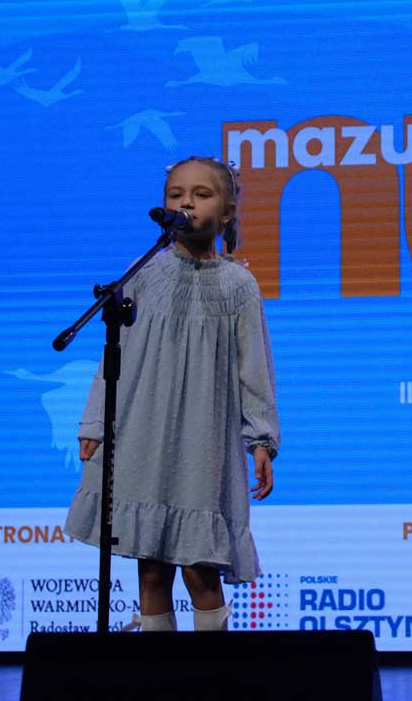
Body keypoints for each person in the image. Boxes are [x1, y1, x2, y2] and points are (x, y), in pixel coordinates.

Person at [65, 156, 279, 632]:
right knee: (151, 566)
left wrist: (261, 439)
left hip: (204, 440)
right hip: (144, 429)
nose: (187, 203)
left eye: (201, 195)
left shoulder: (239, 286)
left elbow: (255, 369)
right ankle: (158, 669)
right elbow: (114, 356)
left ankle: (210, 670)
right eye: (176, 194)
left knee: (200, 569)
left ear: (226, 211)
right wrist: (95, 422)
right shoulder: (143, 274)